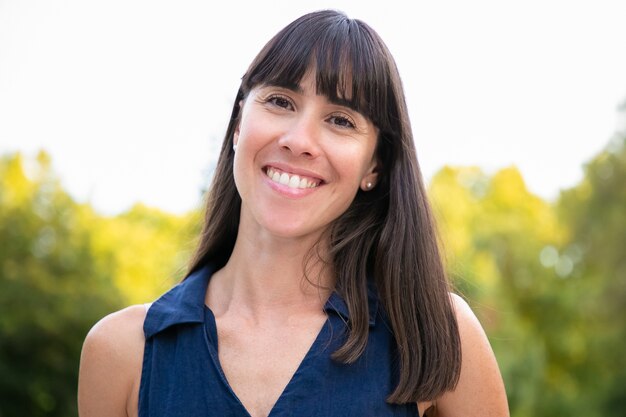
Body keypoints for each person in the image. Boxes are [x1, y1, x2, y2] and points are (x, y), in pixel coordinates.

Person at [78, 9, 509, 417]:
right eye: (281, 101)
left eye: (340, 120)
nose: (299, 139)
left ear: (374, 167)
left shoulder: (435, 334)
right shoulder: (121, 353)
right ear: (236, 126)